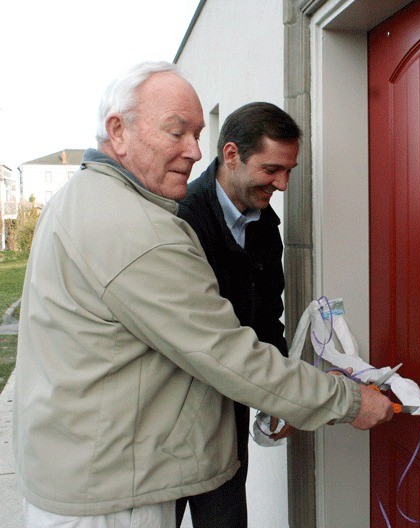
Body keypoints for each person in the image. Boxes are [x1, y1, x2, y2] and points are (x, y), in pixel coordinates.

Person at [12, 62, 393, 527]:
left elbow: (260, 322)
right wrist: (347, 400)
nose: (194, 151)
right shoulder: (146, 229)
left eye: (197, 133)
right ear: (118, 130)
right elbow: (222, 349)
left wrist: (277, 399)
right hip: (119, 488)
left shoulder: (84, 198)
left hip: (118, 460)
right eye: (177, 133)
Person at [176, 102, 300, 528]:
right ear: (231, 155)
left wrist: (279, 395)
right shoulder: (180, 219)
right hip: (169, 420)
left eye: (288, 171)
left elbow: (268, 318)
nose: (281, 183)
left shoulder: (264, 224)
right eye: (272, 169)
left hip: (228, 413)